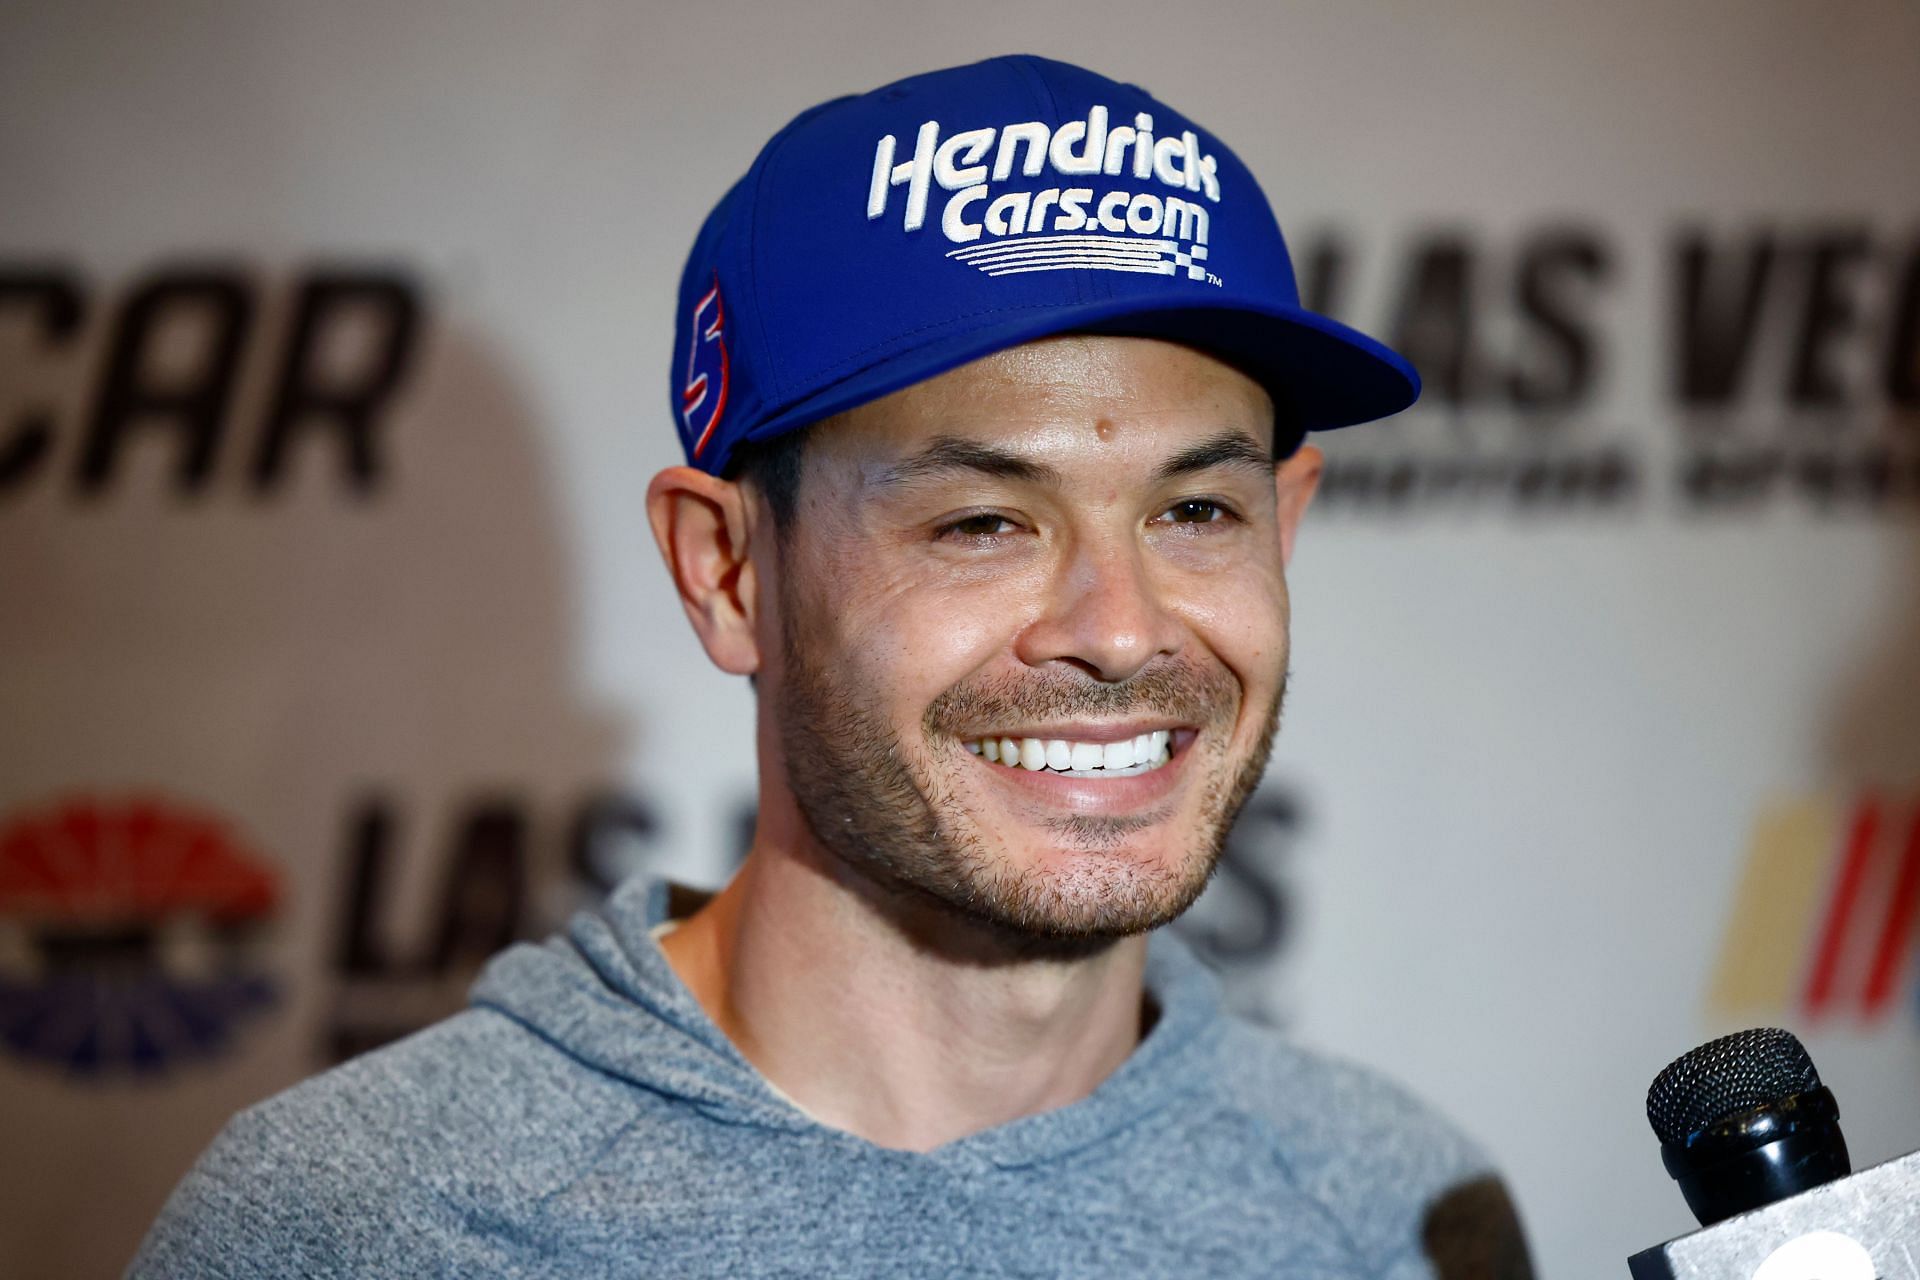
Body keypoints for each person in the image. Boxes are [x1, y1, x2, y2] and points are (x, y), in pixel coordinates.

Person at [131, 54, 1531, 1278]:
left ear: (1287, 527)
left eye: (1196, 511)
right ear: (726, 573)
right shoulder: (357, 1225)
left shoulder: (1403, 1211)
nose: (1122, 628)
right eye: (983, 522)